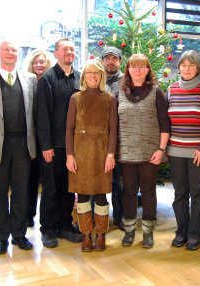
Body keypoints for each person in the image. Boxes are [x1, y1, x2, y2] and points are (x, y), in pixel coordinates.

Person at [0, 41, 37, 254]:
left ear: (18, 54)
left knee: (22, 192)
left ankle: (19, 235)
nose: (11, 53)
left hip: (23, 145)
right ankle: (1, 237)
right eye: (6, 49)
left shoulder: (30, 80)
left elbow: (35, 115)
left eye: (14, 50)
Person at [116, 53, 170, 248]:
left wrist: (161, 149)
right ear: (128, 70)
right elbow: (114, 124)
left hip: (150, 153)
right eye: (134, 66)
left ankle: (148, 232)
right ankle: (129, 230)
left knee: (148, 192)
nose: (138, 69)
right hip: (125, 154)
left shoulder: (156, 92)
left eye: (142, 66)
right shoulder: (119, 92)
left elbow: (165, 125)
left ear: (148, 70)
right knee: (128, 192)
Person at [168, 50, 200, 251]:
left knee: (197, 194)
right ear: (179, 67)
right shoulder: (172, 89)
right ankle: (181, 231)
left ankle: (194, 234)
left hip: (199, 152)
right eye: (183, 65)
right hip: (176, 151)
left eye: (191, 65)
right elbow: (166, 120)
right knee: (179, 194)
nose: (187, 69)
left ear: (197, 67)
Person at [66, 59, 117, 251]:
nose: (93, 76)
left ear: (102, 76)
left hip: (102, 151)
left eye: (96, 73)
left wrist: (110, 155)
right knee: (83, 195)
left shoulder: (109, 99)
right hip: (80, 152)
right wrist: (70, 155)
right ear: (84, 76)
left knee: (101, 195)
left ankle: (100, 234)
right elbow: (69, 128)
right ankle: (86, 234)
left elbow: (113, 129)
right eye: (89, 72)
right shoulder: (75, 98)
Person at [35, 37, 82, 248]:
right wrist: (46, 146)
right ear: (56, 53)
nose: (69, 52)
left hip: (74, 147)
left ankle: (65, 226)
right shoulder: (47, 78)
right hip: (53, 146)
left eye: (72, 49)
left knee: (69, 188)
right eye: (65, 50)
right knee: (51, 189)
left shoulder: (79, 78)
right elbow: (42, 115)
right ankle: (48, 229)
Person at [26, 50, 52, 227]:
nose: (39, 65)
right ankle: (28, 216)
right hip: (29, 140)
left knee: (49, 182)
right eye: (36, 62)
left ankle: (48, 219)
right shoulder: (26, 82)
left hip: (48, 140)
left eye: (42, 62)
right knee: (29, 181)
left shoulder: (50, 82)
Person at [101, 46, 124, 228]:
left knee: (120, 182)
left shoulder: (127, 81)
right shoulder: (95, 79)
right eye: (107, 58)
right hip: (98, 140)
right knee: (97, 180)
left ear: (120, 62)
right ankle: (96, 217)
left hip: (121, 139)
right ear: (102, 61)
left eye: (114, 59)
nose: (110, 62)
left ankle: (119, 217)